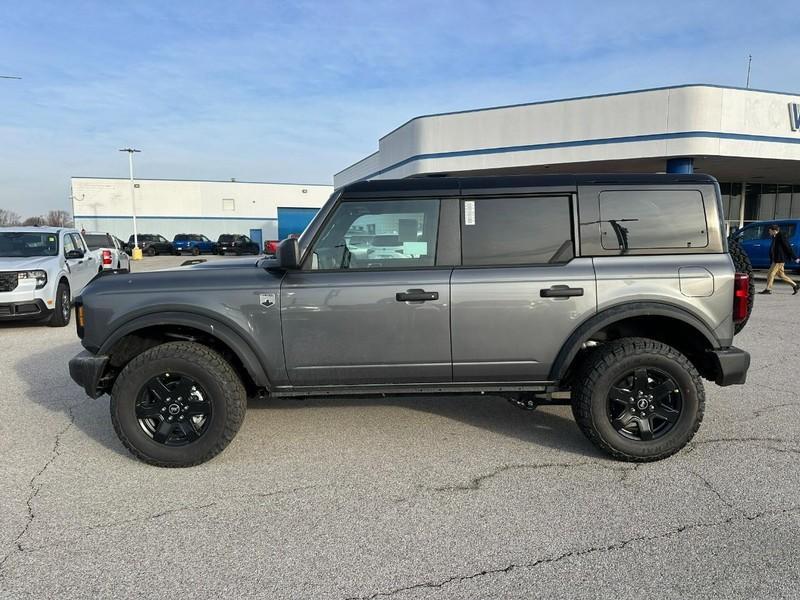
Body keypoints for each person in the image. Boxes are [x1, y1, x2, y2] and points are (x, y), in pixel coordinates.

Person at [758, 224, 800, 295]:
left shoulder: (781, 236)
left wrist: (795, 257)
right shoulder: (775, 237)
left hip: (779, 260)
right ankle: (795, 286)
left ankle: (768, 289)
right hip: (776, 259)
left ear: (774, 231)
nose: (769, 232)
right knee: (781, 275)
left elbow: (788, 247)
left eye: (770, 231)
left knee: (771, 274)